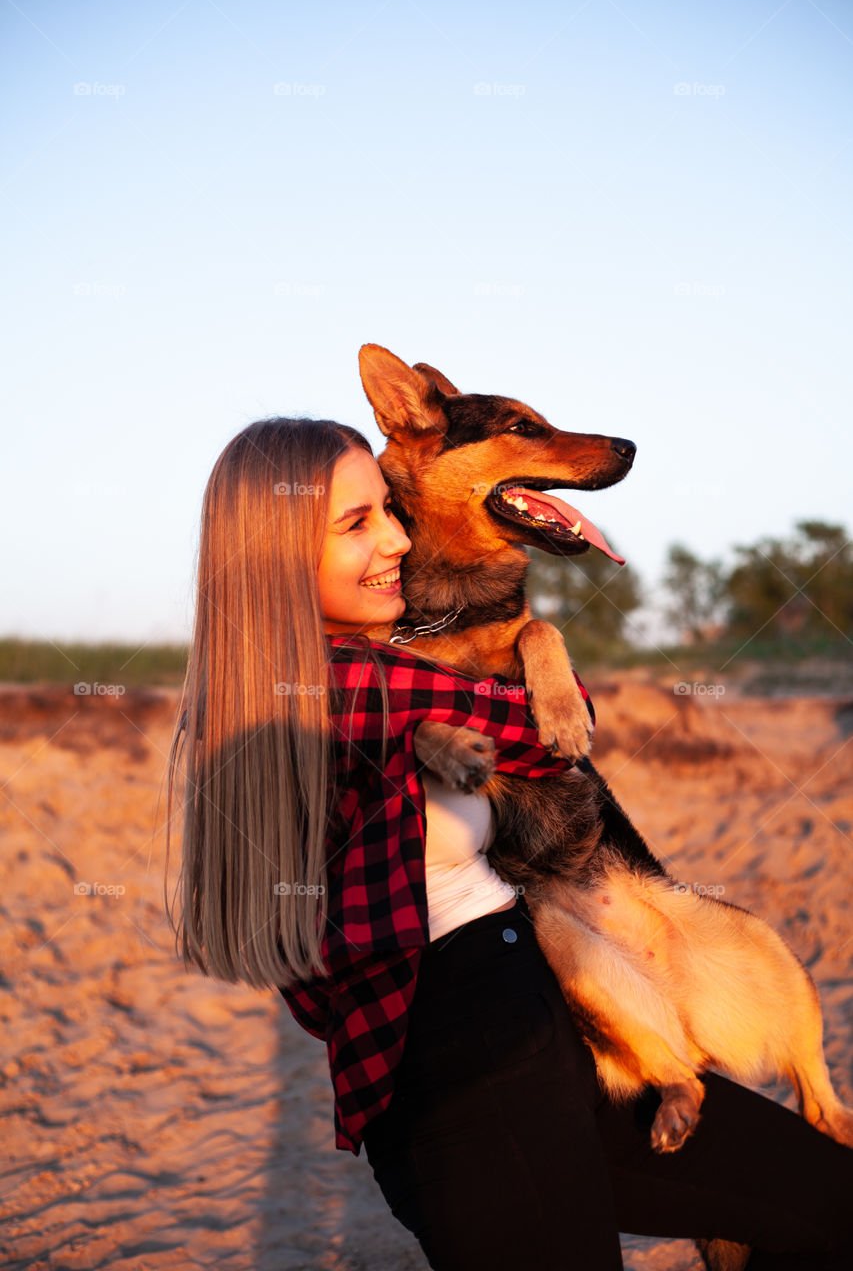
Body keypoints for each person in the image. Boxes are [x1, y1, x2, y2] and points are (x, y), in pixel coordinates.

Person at [166, 415, 853, 1271]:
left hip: (522, 1026)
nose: (395, 539)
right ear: (272, 555)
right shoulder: (354, 680)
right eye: (357, 524)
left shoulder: (258, 697)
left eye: (389, 509)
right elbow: (551, 731)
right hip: (479, 1067)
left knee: (823, 1201)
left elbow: (307, 981)